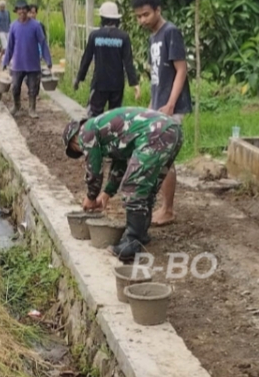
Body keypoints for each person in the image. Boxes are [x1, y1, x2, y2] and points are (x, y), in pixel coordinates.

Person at [62, 107, 184, 262]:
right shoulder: (105, 131)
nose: (81, 151)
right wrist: (106, 194)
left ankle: (131, 244)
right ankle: (141, 235)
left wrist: (91, 197)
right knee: (147, 187)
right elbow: (119, 165)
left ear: (73, 141)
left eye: (76, 150)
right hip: (171, 130)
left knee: (133, 186)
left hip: (155, 133)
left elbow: (94, 170)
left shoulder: (86, 133)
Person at [131, 0, 192, 227]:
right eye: (138, 17)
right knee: (160, 157)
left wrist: (170, 103)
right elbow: (157, 76)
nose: (142, 20)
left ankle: (168, 209)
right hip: (159, 104)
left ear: (158, 10)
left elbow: (181, 70)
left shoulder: (170, 32)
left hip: (171, 106)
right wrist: (152, 104)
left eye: (146, 14)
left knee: (164, 157)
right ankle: (164, 206)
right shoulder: (153, 38)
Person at [73, 1, 140, 116]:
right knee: (113, 117)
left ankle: (95, 133)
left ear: (102, 18)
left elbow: (86, 59)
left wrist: (79, 78)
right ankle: (111, 134)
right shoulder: (123, 37)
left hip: (99, 83)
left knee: (94, 115)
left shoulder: (95, 35)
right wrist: (135, 84)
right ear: (117, 19)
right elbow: (128, 62)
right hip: (117, 84)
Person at [2, 0, 52, 118]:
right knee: (15, 87)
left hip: (32, 63)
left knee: (33, 88)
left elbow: (42, 42)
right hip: (18, 63)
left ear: (28, 11)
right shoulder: (13, 26)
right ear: (16, 11)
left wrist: (48, 59)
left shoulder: (35, 26)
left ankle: (32, 109)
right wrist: (6, 61)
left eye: (24, 9)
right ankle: (16, 105)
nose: (22, 12)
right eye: (19, 9)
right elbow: (10, 46)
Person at [0, 0, 11, 66]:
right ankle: (6, 60)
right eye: (1, 7)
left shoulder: (7, 12)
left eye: (3, 6)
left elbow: (9, 21)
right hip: (1, 31)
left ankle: (0, 57)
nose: (2, 8)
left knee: (7, 46)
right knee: (5, 46)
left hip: (7, 30)